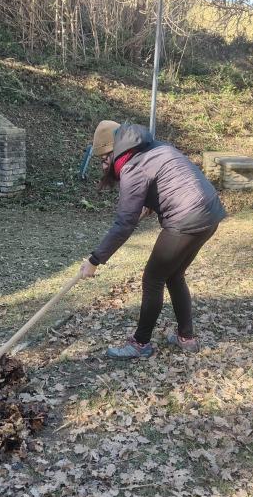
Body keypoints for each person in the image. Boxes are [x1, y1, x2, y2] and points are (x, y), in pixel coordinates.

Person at [79, 121, 226, 359]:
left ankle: (140, 343)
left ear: (113, 151)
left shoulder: (132, 166)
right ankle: (185, 337)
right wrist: (149, 204)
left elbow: (124, 223)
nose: (104, 165)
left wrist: (95, 260)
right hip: (211, 213)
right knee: (174, 274)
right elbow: (168, 180)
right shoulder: (155, 148)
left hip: (186, 219)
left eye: (104, 159)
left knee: (153, 278)